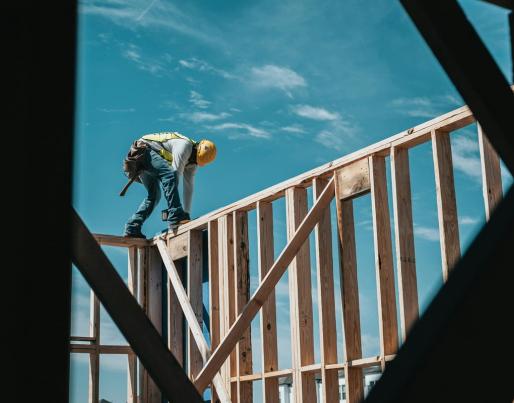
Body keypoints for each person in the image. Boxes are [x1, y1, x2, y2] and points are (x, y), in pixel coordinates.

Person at [123, 131, 216, 238]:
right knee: (169, 174)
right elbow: (174, 176)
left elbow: (188, 187)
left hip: (146, 158)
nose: (193, 162)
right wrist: (175, 212)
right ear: (196, 148)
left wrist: (186, 214)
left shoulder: (192, 163)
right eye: (194, 158)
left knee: (154, 196)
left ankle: (132, 227)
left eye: (196, 161)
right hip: (142, 151)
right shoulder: (184, 146)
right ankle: (175, 216)